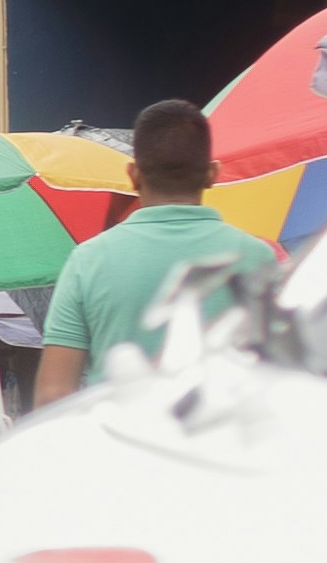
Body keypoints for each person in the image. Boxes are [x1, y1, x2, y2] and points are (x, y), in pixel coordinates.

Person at [33, 97, 281, 403]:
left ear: (133, 174)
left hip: (120, 445)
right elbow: (282, 377)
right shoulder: (258, 258)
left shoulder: (88, 260)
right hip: (226, 445)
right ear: (212, 174)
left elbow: (54, 392)